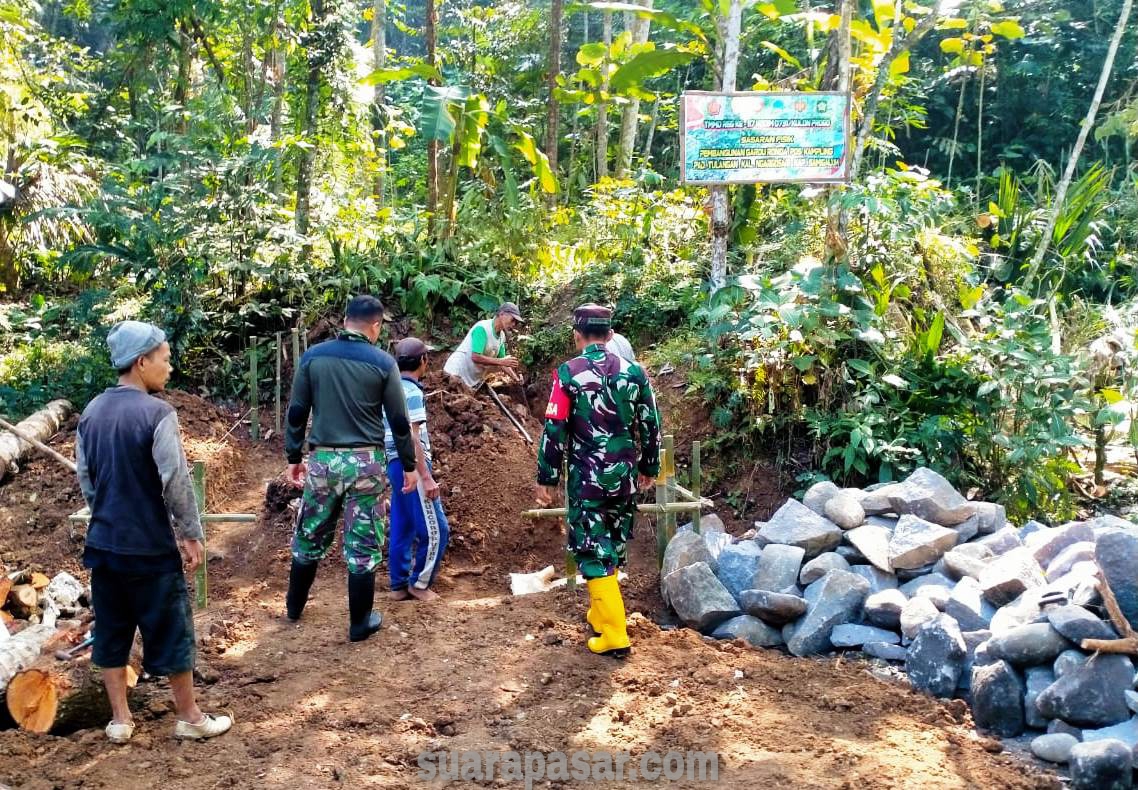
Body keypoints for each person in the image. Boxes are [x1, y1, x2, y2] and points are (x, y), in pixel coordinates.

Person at [76, 320, 232, 744]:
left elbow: (86, 480)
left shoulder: (91, 412)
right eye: (164, 359)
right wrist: (191, 532)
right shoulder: (157, 414)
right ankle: (189, 716)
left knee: (111, 630)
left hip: (104, 546)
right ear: (141, 362)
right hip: (149, 547)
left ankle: (121, 720)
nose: (169, 367)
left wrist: (106, 513)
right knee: (172, 629)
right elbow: (176, 480)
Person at [283, 295, 419, 642]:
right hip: (365, 465)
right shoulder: (382, 362)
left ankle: (294, 608)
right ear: (375, 326)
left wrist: (293, 457)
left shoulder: (314, 357)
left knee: (310, 533)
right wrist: (409, 465)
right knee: (362, 544)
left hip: (324, 462)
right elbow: (400, 421)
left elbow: (297, 411)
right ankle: (359, 623)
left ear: (345, 321)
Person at [534, 304, 662, 657]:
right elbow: (651, 425)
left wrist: (547, 475)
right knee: (615, 544)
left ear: (577, 335)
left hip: (586, 478)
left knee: (593, 548)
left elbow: (554, 426)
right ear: (610, 335)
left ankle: (615, 635)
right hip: (623, 475)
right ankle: (600, 612)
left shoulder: (568, 374)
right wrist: (649, 466)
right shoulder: (635, 373)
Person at [383, 337, 450, 602]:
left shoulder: (389, 390)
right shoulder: (412, 392)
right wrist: (425, 475)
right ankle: (419, 583)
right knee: (437, 529)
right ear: (422, 361)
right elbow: (412, 438)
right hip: (410, 464)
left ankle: (399, 584)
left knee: (403, 524)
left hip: (393, 463)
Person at [443, 302, 525, 389]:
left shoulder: (501, 336)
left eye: (515, 323)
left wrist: (516, 378)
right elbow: (475, 357)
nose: (513, 325)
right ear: (502, 314)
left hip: (469, 381)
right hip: (456, 372)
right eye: (512, 320)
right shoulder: (483, 328)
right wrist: (501, 361)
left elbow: (503, 363)